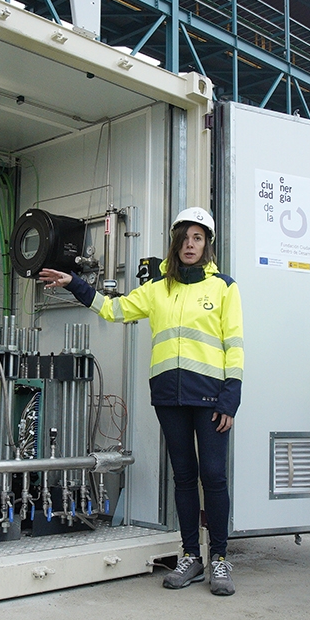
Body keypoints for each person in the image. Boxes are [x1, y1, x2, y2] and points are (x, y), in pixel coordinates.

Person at [39, 207, 243, 596]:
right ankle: (191, 555)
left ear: (208, 245)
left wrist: (230, 398)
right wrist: (75, 283)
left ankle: (219, 557)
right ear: (175, 242)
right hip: (169, 395)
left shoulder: (224, 287)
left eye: (198, 238)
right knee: (183, 477)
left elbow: (234, 344)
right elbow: (114, 310)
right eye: (184, 238)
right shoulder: (158, 288)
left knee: (214, 476)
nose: (190, 245)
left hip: (211, 396)